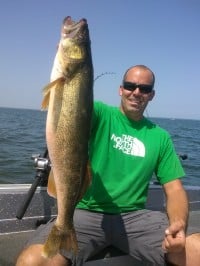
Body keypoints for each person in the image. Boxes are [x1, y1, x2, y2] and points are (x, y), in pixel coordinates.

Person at [16, 65, 200, 266]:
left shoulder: (160, 137)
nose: (136, 92)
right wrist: (68, 70)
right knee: (32, 261)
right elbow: (71, 106)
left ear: (152, 95)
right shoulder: (100, 113)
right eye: (130, 86)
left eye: (144, 89)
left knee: (196, 250)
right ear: (121, 90)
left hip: (135, 218)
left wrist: (178, 225)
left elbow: (174, 189)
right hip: (84, 213)